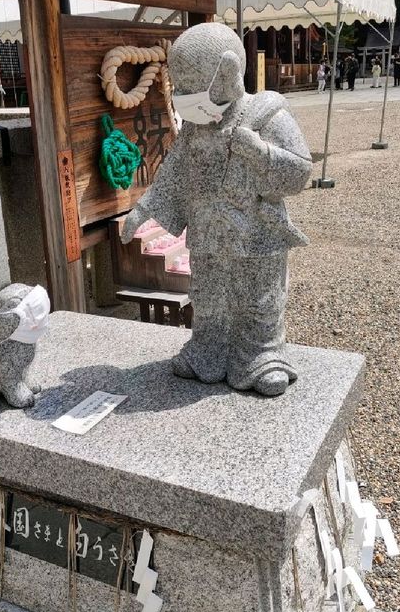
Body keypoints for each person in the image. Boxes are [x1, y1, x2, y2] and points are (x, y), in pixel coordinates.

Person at [121, 23, 312, 396]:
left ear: (227, 72)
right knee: (209, 298)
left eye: (195, 88)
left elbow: (300, 170)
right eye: (183, 90)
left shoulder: (267, 114)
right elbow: (173, 173)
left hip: (256, 234)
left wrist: (259, 153)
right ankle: (207, 351)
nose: (188, 100)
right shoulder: (195, 127)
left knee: (258, 298)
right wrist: (143, 209)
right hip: (208, 232)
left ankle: (262, 355)